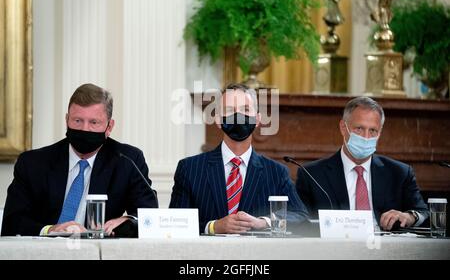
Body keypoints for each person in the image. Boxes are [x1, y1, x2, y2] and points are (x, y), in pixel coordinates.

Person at [1, 83, 158, 237]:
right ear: (67, 120)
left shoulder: (127, 160)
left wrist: (129, 219)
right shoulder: (33, 163)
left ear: (109, 127)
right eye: (77, 121)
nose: (84, 129)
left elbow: (149, 215)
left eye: (93, 122)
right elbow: (12, 222)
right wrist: (50, 230)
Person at [170, 83, 308, 234]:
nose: (238, 116)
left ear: (257, 119)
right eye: (229, 110)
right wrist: (213, 227)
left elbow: (300, 215)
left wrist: (263, 222)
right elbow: (175, 222)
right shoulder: (190, 169)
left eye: (246, 110)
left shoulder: (276, 172)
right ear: (218, 120)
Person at [296, 96, 428, 231]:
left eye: (372, 131)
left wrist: (409, 216)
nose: (366, 137)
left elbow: (424, 213)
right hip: (335, 249)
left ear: (380, 133)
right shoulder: (312, 175)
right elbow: (301, 223)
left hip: (386, 248)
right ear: (343, 127)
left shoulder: (399, 173)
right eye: (359, 129)